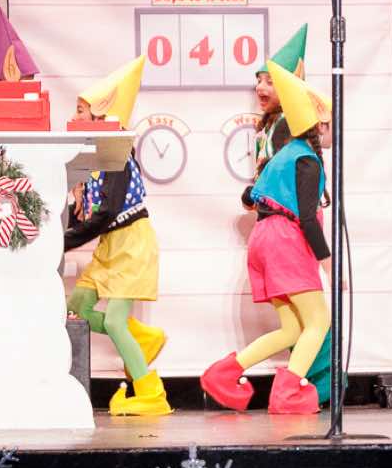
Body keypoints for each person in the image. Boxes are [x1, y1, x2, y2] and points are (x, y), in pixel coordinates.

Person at [201, 59, 331, 416]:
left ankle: (223, 374)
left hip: (263, 240)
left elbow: (253, 196)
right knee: (319, 322)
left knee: (292, 329)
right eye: (330, 126)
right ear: (318, 125)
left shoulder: (282, 155)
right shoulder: (306, 160)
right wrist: (327, 261)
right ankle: (288, 394)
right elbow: (307, 218)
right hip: (286, 241)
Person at [64, 57, 170, 415]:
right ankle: (142, 337)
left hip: (132, 242)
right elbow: (90, 213)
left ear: (100, 116)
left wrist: (66, 241)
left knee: (112, 320)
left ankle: (151, 394)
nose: (74, 116)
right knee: (76, 307)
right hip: (111, 244)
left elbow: (108, 211)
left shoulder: (118, 155)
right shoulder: (93, 159)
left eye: (81, 110)